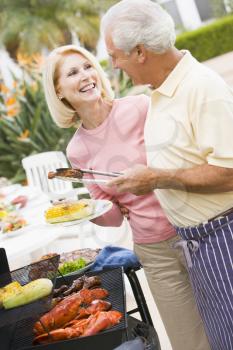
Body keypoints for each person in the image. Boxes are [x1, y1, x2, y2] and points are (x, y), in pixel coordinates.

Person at [43, 45, 209, 350]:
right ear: (59, 90)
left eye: (88, 66)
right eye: (73, 72)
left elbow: (184, 155)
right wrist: (83, 210)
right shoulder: (78, 150)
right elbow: (112, 215)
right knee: (189, 341)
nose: (86, 75)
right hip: (154, 250)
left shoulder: (140, 107)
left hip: (197, 230)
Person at [101, 1, 233, 349]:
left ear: (140, 52)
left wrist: (156, 178)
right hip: (198, 244)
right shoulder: (160, 91)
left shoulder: (202, 87)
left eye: (115, 54)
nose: (113, 64)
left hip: (223, 241)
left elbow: (230, 173)